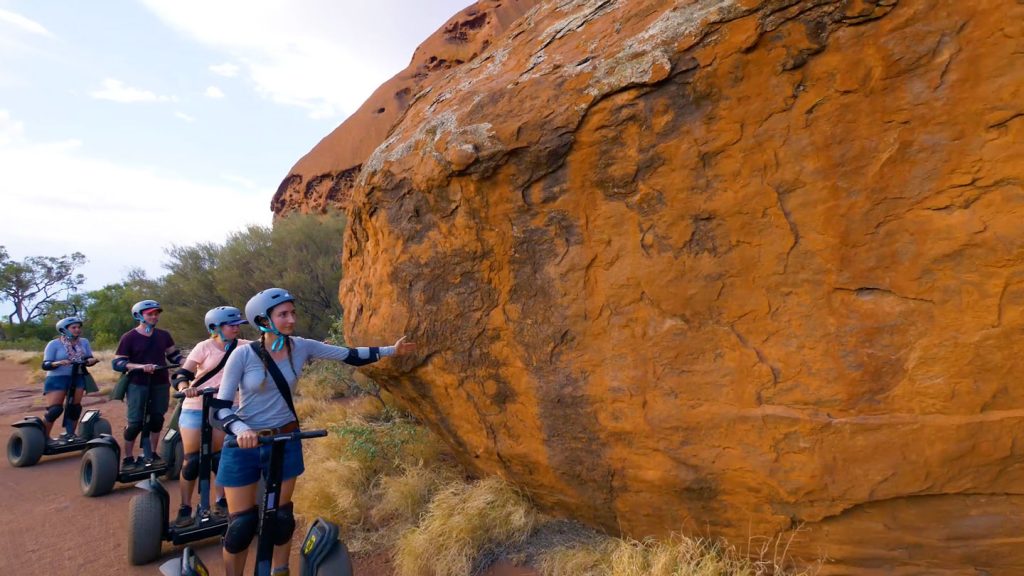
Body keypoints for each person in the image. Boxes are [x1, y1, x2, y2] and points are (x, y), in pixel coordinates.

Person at [213, 288, 415, 576]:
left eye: (292, 312)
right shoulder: (243, 356)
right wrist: (242, 429)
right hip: (245, 443)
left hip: (285, 438)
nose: (291, 319)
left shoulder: (301, 346)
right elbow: (219, 408)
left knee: (281, 517)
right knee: (242, 526)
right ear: (262, 320)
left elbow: (350, 356)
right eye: (283, 314)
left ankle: (279, 570)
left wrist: (392, 350)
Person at [170, 306, 250, 527]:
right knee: (193, 460)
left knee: (220, 458)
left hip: (226, 407)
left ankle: (220, 502)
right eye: (231, 325)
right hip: (196, 406)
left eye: (237, 325)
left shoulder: (244, 347)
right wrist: (186, 387)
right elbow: (182, 374)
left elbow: (271, 350)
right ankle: (185, 507)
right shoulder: (203, 347)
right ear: (215, 327)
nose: (236, 329)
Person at [112, 299, 182, 469]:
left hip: (159, 382)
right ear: (139, 315)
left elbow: (174, 356)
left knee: (157, 419)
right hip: (138, 383)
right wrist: (140, 367)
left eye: (156, 313)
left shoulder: (163, 335)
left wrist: (188, 362)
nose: (154, 316)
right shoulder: (129, 337)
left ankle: (152, 453)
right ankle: (128, 457)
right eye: (150, 314)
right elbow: (118, 363)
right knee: (135, 422)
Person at [40, 317, 99, 442]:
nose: (77, 330)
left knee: (75, 407)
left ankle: (70, 434)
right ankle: (43, 437)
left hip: (77, 376)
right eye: (74, 328)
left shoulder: (84, 342)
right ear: (64, 330)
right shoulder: (54, 344)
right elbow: (45, 365)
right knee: (55, 410)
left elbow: (88, 358)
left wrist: (91, 361)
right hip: (57, 378)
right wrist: (58, 363)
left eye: (78, 327)